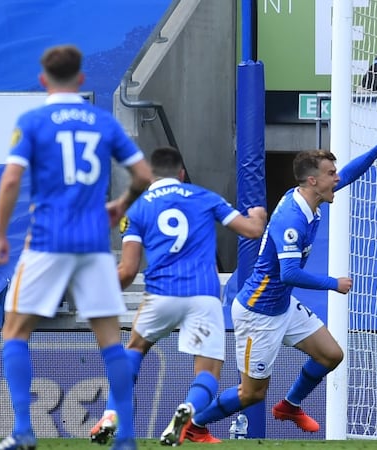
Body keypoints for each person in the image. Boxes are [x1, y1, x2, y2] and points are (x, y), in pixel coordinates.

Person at [177, 131, 377, 438]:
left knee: (331, 355)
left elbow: (349, 173)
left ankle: (290, 405)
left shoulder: (311, 197)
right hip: (259, 314)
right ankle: (194, 425)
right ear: (313, 181)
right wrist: (333, 283)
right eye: (330, 174)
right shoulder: (291, 220)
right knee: (251, 393)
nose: (337, 179)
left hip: (282, 306)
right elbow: (289, 274)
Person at [0, 44, 153, 450]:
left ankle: (24, 431)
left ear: (44, 79)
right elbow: (143, 175)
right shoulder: (102, 122)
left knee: (15, 331)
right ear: (81, 79)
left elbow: (11, 181)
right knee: (110, 341)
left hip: (47, 240)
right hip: (94, 243)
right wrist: (121, 205)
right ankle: (126, 438)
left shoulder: (33, 121)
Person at [89, 146, 267, 446]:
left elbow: (128, 270)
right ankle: (188, 408)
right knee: (208, 371)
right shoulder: (205, 197)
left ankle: (110, 413)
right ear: (181, 173)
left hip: (160, 294)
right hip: (203, 295)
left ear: (150, 175)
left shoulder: (138, 208)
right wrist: (258, 216)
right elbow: (250, 231)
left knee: (134, 348)